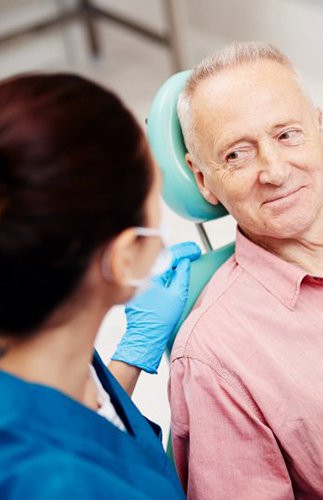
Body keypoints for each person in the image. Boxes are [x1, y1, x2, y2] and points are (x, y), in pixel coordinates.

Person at [168, 41, 323, 499]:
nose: (274, 170)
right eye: (237, 154)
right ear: (202, 179)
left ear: (319, 131)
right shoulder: (214, 360)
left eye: (287, 134)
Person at [0, 72, 201, 498]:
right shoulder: (55, 484)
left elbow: (78, 425)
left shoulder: (41, 328)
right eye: (155, 204)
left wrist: (130, 358)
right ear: (125, 256)